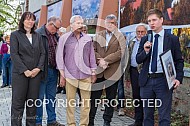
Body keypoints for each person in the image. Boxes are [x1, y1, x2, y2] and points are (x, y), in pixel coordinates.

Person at [136, 9, 184, 126]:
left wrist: (178, 78)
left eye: (154, 20)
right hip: (146, 81)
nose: (151, 23)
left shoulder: (172, 39)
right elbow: (138, 59)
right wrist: (146, 51)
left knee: (164, 117)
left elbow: (179, 61)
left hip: (163, 81)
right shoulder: (145, 39)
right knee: (147, 116)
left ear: (161, 20)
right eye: (149, 21)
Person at [56, 15, 97, 126]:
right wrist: (62, 76)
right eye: (78, 23)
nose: (81, 25)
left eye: (82, 23)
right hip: (70, 75)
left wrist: (93, 73)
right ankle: (71, 124)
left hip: (86, 75)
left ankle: (84, 124)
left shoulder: (88, 38)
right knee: (71, 102)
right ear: (71, 24)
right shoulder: (64, 38)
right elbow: (60, 58)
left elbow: (91, 56)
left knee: (86, 103)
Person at [89, 14, 127, 126]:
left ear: (116, 24)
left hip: (113, 72)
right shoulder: (98, 35)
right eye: (108, 23)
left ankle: (107, 121)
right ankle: (90, 121)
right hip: (99, 72)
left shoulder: (121, 37)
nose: (110, 25)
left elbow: (121, 52)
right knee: (94, 98)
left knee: (110, 99)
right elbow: (92, 50)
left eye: (112, 23)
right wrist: (99, 61)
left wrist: (105, 60)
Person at [10, 11, 45, 126]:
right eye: (28, 19)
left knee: (32, 104)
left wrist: (38, 69)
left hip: (35, 75)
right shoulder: (15, 35)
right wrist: (25, 70)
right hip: (20, 75)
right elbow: (14, 54)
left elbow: (43, 54)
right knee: (18, 104)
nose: (30, 21)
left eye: (32, 19)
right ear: (22, 21)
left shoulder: (38, 36)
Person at [35, 16, 64, 126]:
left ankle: (51, 120)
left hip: (53, 71)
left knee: (51, 97)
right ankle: (37, 122)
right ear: (50, 24)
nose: (57, 30)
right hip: (42, 72)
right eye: (57, 28)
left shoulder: (56, 35)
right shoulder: (38, 34)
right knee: (39, 98)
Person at [125, 23, 148, 126]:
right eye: (138, 32)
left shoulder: (149, 43)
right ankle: (138, 121)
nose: (140, 34)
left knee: (145, 97)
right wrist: (127, 77)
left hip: (144, 73)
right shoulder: (132, 42)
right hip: (133, 71)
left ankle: (145, 121)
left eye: (142, 32)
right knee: (136, 96)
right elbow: (128, 60)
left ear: (146, 32)